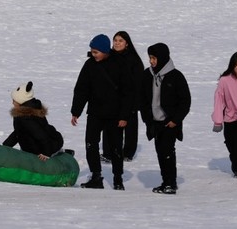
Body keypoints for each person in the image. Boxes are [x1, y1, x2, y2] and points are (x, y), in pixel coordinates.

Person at [70, 34, 133, 190]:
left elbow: (128, 93)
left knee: (116, 147)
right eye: (92, 51)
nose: (93, 55)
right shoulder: (89, 65)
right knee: (91, 144)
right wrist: (76, 111)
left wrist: (124, 116)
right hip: (95, 113)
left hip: (115, 115)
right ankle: (96, 176)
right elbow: (81, 89)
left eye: (96, 52)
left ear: (105, 51)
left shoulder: (119, 64)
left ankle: (118, 179)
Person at [141, 43, 191, 195]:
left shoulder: (176, 76)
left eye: (154, 58)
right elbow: (142, 98)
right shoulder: (147, 75)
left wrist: (176, 119)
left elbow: (185, 101)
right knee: (160, 152)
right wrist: (147, 118)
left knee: (167, 151)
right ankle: (165, 181)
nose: (151, 61)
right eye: (150, 58)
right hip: (154, 122)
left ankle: (170, 183)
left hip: (170, 122)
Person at [102, 31, 144, 162]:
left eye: (120, 41)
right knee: (109, 127)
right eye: (115, 40)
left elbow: (138, 83)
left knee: (130, 128)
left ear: (127, 43)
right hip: (111, 100)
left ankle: (128, 153)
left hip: (129, 99)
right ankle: (108, 153)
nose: (117, 43)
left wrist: (135, 102)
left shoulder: (134, 60)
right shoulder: (108, 57)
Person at [4, 81, 64, 160]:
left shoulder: (26, 117)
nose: (12, 103)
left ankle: (59, 153)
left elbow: (41, 135)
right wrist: (6, 146)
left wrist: (46, 153)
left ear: (20, 101)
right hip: (35, 146)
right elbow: (19, 132)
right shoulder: (24, 114)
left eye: (14, 100)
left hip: (46, 147)